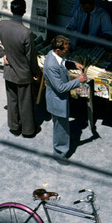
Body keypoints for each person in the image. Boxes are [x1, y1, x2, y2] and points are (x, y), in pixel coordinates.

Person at [0, 0, 41, 137]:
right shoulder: (26, 33)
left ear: (11, 10)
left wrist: (2, 54)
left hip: (9, 72)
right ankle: (28, 130)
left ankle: (14, 126)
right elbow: (31, 57)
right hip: (23, 74)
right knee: (25, 103)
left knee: (12, 101)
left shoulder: (2, 25)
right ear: (24, 11)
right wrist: (36, 72)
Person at [43, 35, 87, 164]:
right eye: (66, 50)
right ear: (58, 50)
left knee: (62, 125)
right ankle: (60, 154)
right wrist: (78, 81)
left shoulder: (54, 55)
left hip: (59, 100)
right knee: (60, 127)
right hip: (57, 101)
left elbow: (63, 62)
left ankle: (64, 143)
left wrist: (73, 64)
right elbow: (61, 88)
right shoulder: (51, 65)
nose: (67, 52)